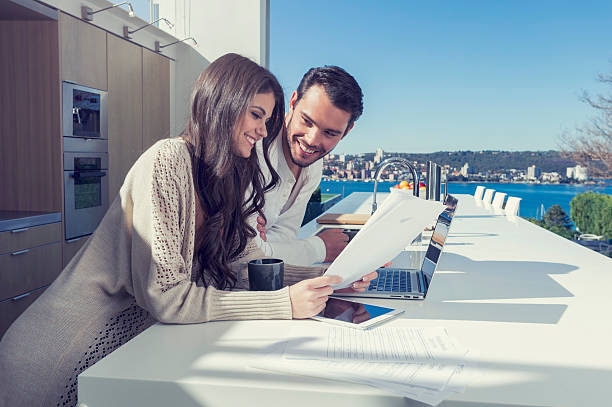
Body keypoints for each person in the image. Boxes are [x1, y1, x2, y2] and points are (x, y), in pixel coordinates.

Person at [0, 54, 375, 407]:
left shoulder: (230, 175)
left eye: (267, 120)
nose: (263, 131)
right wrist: (283, 304)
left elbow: (245, 266)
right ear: (223, 104)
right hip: (60, 354)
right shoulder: (167, 160)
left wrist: (328, 278)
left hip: (125, 350)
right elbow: (167, 296)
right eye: (256, 116)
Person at [253, 66, 363, 266]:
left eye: (330, 133)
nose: (312, 140)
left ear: (347, 131)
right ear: (293, 102)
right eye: (307, 121)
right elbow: (246, 255)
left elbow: (284, 237)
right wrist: (319, 248)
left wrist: (266, 245)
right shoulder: (255, 148)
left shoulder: (313, 166)